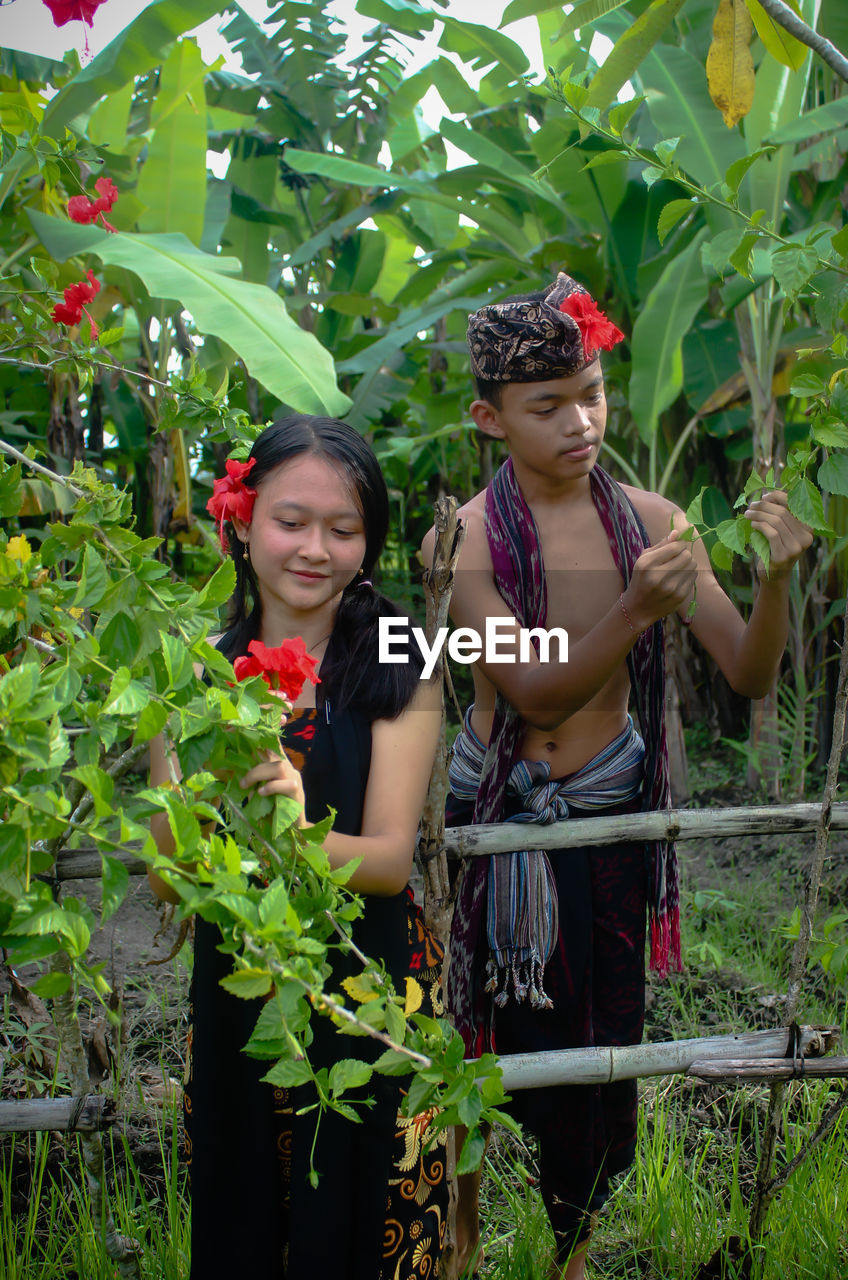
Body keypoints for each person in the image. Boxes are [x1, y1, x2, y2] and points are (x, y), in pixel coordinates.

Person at [423, 273, 813, 1279]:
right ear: (488, 417)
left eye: (590, 393)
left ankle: (574, 1245)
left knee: (601, 1038)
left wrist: (773, 579)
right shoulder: (460, 538)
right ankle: (459, 1233)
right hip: (494, 815)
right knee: (472, 1028)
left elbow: (748, 666)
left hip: (605, 810)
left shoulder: (651, 517)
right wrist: (635, 611)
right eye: (545, 406)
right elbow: (530, 692)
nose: (578, 421)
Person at [148, 415, 445, 1280]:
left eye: (343, 529)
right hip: (243, 990)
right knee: (247, 1222)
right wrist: (209, 785)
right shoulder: (194, 671)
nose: (315, 548)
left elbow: (389, 860)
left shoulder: (406, 661)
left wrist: (294, 822)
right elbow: (172, 878)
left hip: (371, 987)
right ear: (241, 521)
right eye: (291, 521)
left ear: (369, 541)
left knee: (368, 1228)